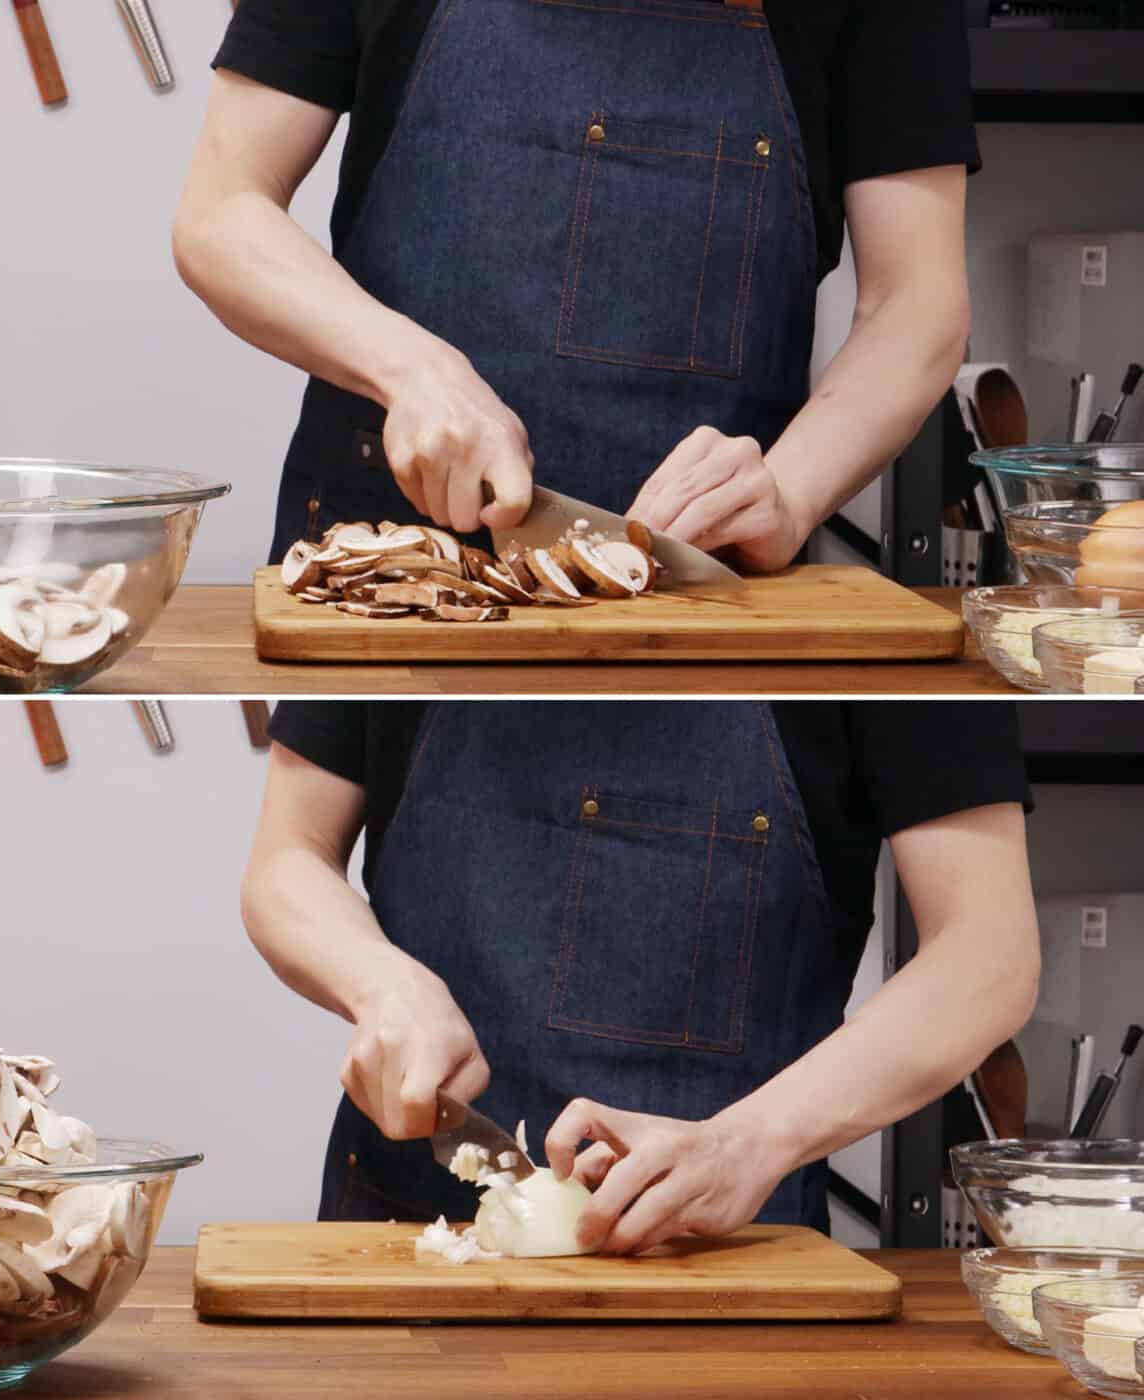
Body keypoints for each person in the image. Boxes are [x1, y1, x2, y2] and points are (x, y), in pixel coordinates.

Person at [175, 2, 977, 568]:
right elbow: (222, 212)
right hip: (388, 572)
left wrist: (792, 493)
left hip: (696, 586)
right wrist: (413, 371)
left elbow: (919, 302)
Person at [240, 702, 1040, 1250]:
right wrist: (382, 984)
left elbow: (989, 954)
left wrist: (747, 1141)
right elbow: (287, 857)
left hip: (716, 1293)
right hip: (392, 1251)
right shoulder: (426, 581)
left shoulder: (869, 633)